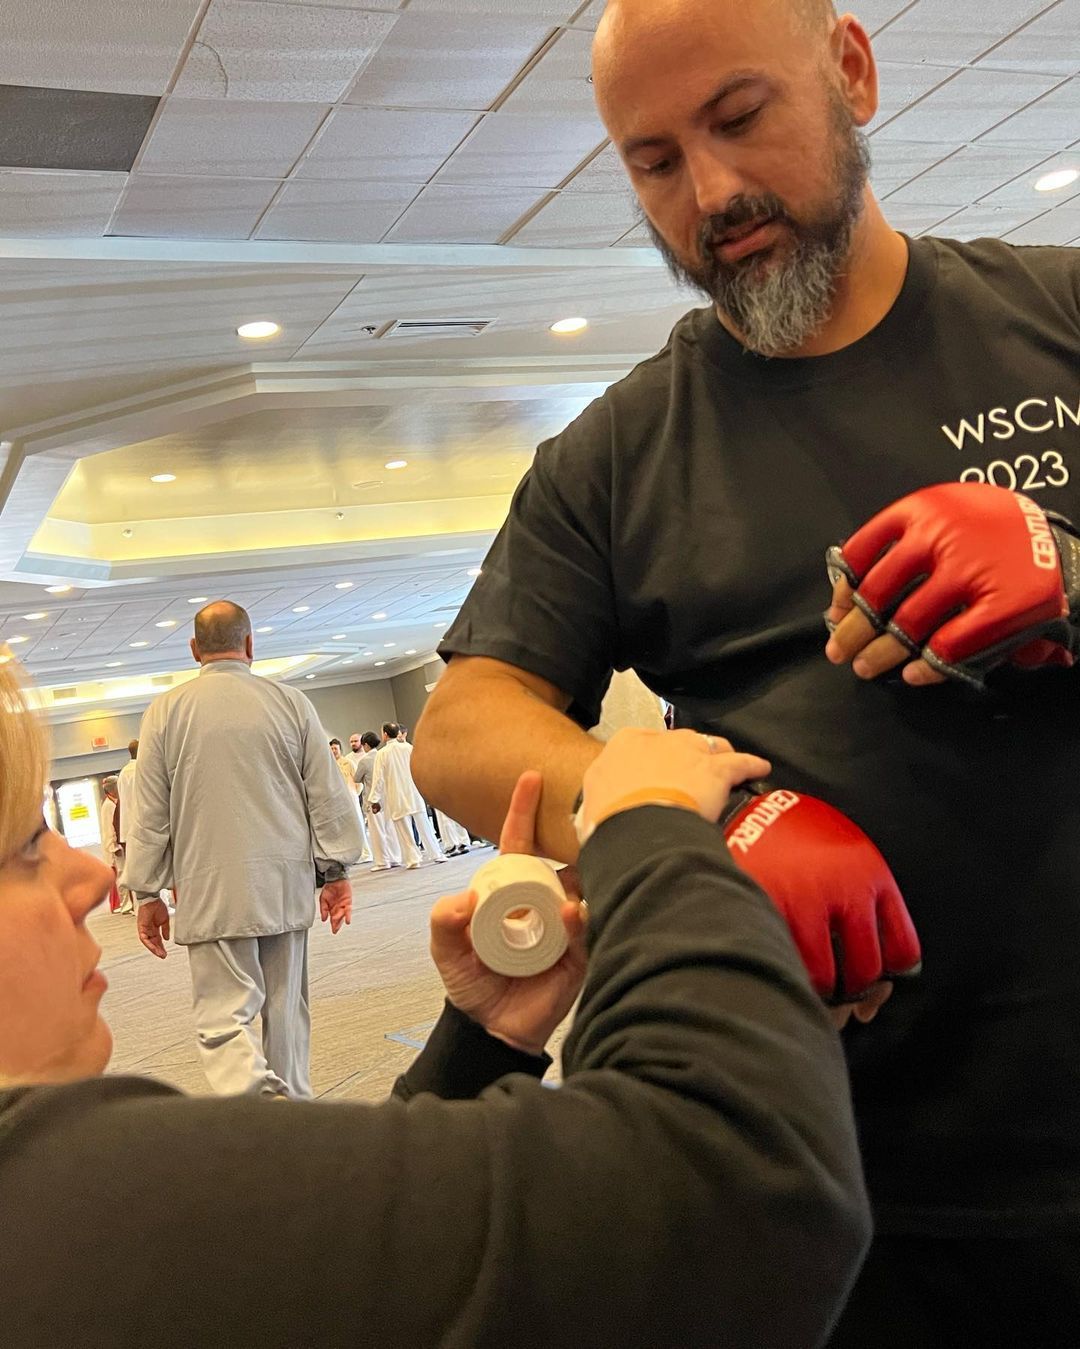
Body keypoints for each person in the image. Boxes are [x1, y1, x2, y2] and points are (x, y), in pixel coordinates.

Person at [411, 1, 1080, 1341]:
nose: (710, 195)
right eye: (653, 161)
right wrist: (685, 816)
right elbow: (463, 727)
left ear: (851, 70)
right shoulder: (621, 453)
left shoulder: (1059, 309)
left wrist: (1073, 562)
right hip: (849, 1170)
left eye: (737, 118)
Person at [0, 649, 871, 1348]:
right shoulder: (63, 1199)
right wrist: (651, 830)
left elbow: (333, 1286)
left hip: (239, 898)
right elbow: (739, 1206)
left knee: (253, 1021)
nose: (83, 872)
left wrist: (478, 1047)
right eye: (27, 845)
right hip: (275, 889)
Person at [125, 601, 365, 1099]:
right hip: (285, 882)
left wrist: (145, 892)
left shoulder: (165, 713)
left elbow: (149, 813)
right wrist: (335, 870)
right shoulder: (291, 702)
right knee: (288, 1016)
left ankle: (260, 1111)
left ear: (194, 650)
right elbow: (326, 796)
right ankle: (294, 1114)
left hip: (210, 885)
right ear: (251, 645)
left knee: (223, 1019)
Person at [369, 722, 447, 868]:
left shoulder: (382, 754)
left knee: (404, 830)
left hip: (396, 795)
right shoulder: (409, 748)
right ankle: (437, 854)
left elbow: (378, 778)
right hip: (413, 792)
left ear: (385, 735)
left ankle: (413, 859)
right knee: (425, 825)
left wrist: (374, 799)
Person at [354, 730, 402, 871]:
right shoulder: (384, 754)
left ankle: (382, 861)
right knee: (390, 828)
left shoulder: (364, 760)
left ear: (366, 745)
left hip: (372, 799)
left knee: (377, 831)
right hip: (387, 796)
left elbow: (356, 778)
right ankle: (395, 858)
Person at [330, 736, 372, 863]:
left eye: (335, 748)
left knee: (358, 824)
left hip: (351, 797)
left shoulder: (348, 763)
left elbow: (358, 781)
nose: (333, 751)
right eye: (331, 749)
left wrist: (354, 793)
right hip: (337, 800)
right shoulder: (329, 765)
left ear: (340, 749)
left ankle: (366, 853)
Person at [98, 777, 128, 914]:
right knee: (121, 875)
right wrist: (114, 846)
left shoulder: (112, 803)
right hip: (116, 847)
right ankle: (124, 904)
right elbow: (109, 828)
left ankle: (126, 903)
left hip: (118, 845)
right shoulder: (109, 806)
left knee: (123, 874)